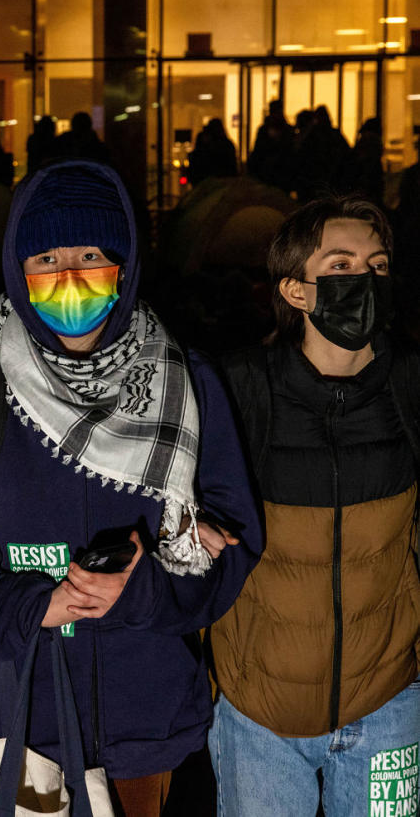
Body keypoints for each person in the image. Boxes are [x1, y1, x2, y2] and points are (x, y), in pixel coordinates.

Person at [0, 160, 262, 817]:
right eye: (47, 258)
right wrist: (21, 602)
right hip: (13, 718)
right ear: (16, 268)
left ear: (122, 265)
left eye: (91, 254)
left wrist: (146, 586)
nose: (69, 277)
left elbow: (234, 543)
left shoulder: (186, 382)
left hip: (143, 724)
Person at [208, 196, 420, 817]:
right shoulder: (240, 387)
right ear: (296, 292)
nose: (365, 279)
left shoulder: (409, 384)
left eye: (377, 265)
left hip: (390, 704)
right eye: (342, 264)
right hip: (262, 717)